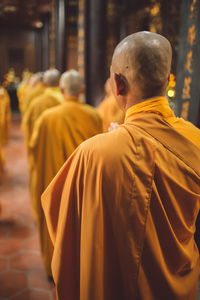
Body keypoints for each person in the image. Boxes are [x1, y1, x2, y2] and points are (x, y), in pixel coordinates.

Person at [42, 31, 200, 300]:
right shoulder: (194, 139)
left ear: (118, 83)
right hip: (176, 288)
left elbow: (61, 220)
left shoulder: (93, 153)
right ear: (166, 78)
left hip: (112, 285)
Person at [29, 70, 102, 279]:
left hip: (53, 180)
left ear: (61, 90)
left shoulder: (46, 118)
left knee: (54, 222)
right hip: (83, 183)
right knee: (81, 225)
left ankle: (54, 268)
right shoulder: (93, 115)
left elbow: (33, 145)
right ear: (82, 90)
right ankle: (81, 268)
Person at [22, 69, 62, 146]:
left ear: (44, 84)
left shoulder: (36, 101)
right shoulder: (64, 98)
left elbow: (28, 120)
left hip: (42, 140)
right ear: (59, 83)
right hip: (60, 140)